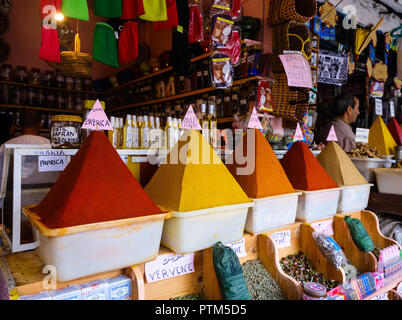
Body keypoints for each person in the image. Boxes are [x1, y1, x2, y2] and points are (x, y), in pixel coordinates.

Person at [0, 109, 50, 182]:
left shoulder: (4, 147)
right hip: (47, 192)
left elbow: (2, 179)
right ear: (40, 124)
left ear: (19, 124)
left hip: (13, 192)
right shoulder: (50, 145)